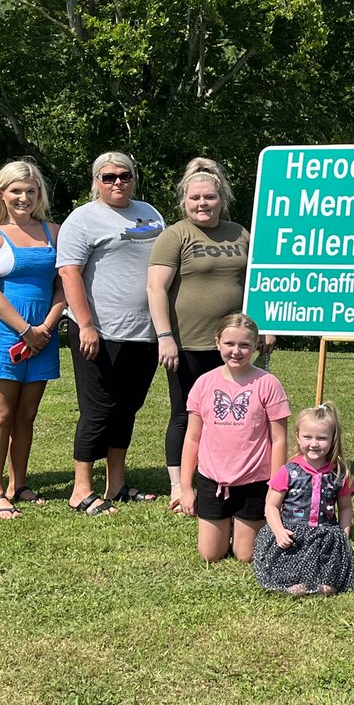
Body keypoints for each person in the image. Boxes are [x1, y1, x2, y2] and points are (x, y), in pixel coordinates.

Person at [148, 158, 273, 510]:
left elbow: (257, 283)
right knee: (186, 413)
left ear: (221, 199)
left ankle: (230, 476)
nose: (202, 204)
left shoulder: (240, 234)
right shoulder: (175, 235)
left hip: (235, 345)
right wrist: (165, 336)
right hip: (187, 342)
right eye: (195, 198)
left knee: (237, 413)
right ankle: (180, 484)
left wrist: (265, 326)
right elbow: (156, 288)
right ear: (184, 202)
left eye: (209, 198)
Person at [56, 151, 166, 516]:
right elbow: (69, 273)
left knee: (127, 409)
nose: (117, 182)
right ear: (96, 181)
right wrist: (85, 324)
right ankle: (81, 489)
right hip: (99, 331)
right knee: (97, 409)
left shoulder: (150, 214)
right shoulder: (82, 219)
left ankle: (116, 483)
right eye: (108, 177)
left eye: (124, 175)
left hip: (144, 332)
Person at [0, 160, 66, 519]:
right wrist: (27, 331)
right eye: (16, 191)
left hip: (45, 331)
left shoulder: (55, 231)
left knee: (27, 414)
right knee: (2, 412)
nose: (23, 197)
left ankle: (18, 484)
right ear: (2, 193)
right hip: (3, 331)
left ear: (39, 194)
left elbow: (64, 285)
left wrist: (47, 327)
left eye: (30, 190)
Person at [179, 314, 290, 562]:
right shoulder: (204, 383)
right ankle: (224, 522)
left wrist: (276, 489)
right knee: (210, 555)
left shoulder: (268, 384)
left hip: (254, 482)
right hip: (213, 480)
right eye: (229, 344)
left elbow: (279, 440)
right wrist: (186, 487)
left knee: (246, 556)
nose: (236, 351)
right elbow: (192, 438)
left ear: (255, 346)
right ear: (217, 342)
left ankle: (240, 522)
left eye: (245, 345)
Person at [253, 401, 354, 596]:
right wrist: (279, 531)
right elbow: (271, 505)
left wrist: (343, 534)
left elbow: (345, 508)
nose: (314, 444)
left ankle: (322, 581)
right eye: (307, 437)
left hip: (326, 534)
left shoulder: (339, 474)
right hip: (293, 534)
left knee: (329, 585)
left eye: (321, 438)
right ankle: (295, 579)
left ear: (333, 439)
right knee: (292, 576)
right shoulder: (288, 471)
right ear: (298, 438)